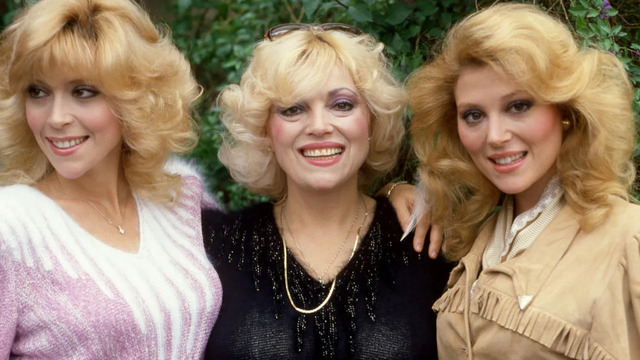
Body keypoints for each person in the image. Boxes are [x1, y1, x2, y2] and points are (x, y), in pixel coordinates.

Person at [202, 23, 451, 358]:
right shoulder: (215, 245)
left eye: (342, 105)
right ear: (266, 131)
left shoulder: (426, 242)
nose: (319, 126)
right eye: (293, 109)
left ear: (372, 123)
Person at [408, 3, 640, 359]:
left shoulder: (629, 238)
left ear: (566, 110)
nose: (495, 136)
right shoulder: (471, 238)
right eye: (473, 115)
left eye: (518, 106)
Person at [0, 0, 221, 358]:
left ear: (135, 99)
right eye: (37, 92)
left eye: (83, 92)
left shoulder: (181, 196)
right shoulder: (11, 226)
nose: (55, 117)